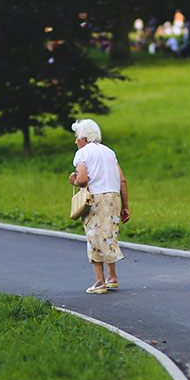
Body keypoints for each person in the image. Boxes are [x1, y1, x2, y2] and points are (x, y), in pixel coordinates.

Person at [68, 119, 130, 295]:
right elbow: (122, 180)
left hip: (96, 199)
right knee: (109, 235)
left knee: (94, 237)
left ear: (84, 138)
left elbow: (82, 180)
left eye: (76, 137)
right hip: (113, 197)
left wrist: (73, 180)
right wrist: (126, 206)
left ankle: (99, 282)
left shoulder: (82, 153)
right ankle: (112, 278)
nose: (75, 141)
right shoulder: (109, 152)